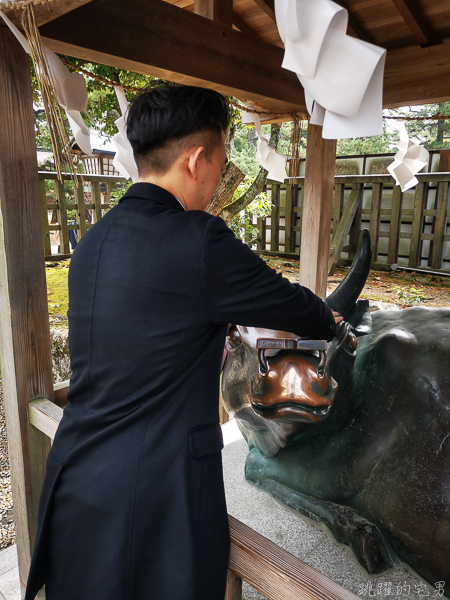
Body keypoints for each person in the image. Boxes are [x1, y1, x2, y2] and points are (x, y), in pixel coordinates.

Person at [25, 85, 341, 600]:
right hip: (154, 495)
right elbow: (293, 305)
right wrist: (328, 317)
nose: (219, 178)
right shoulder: (198, 240)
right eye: (220, 161)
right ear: (197, 160)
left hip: (77, 479)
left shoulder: (93, 242)